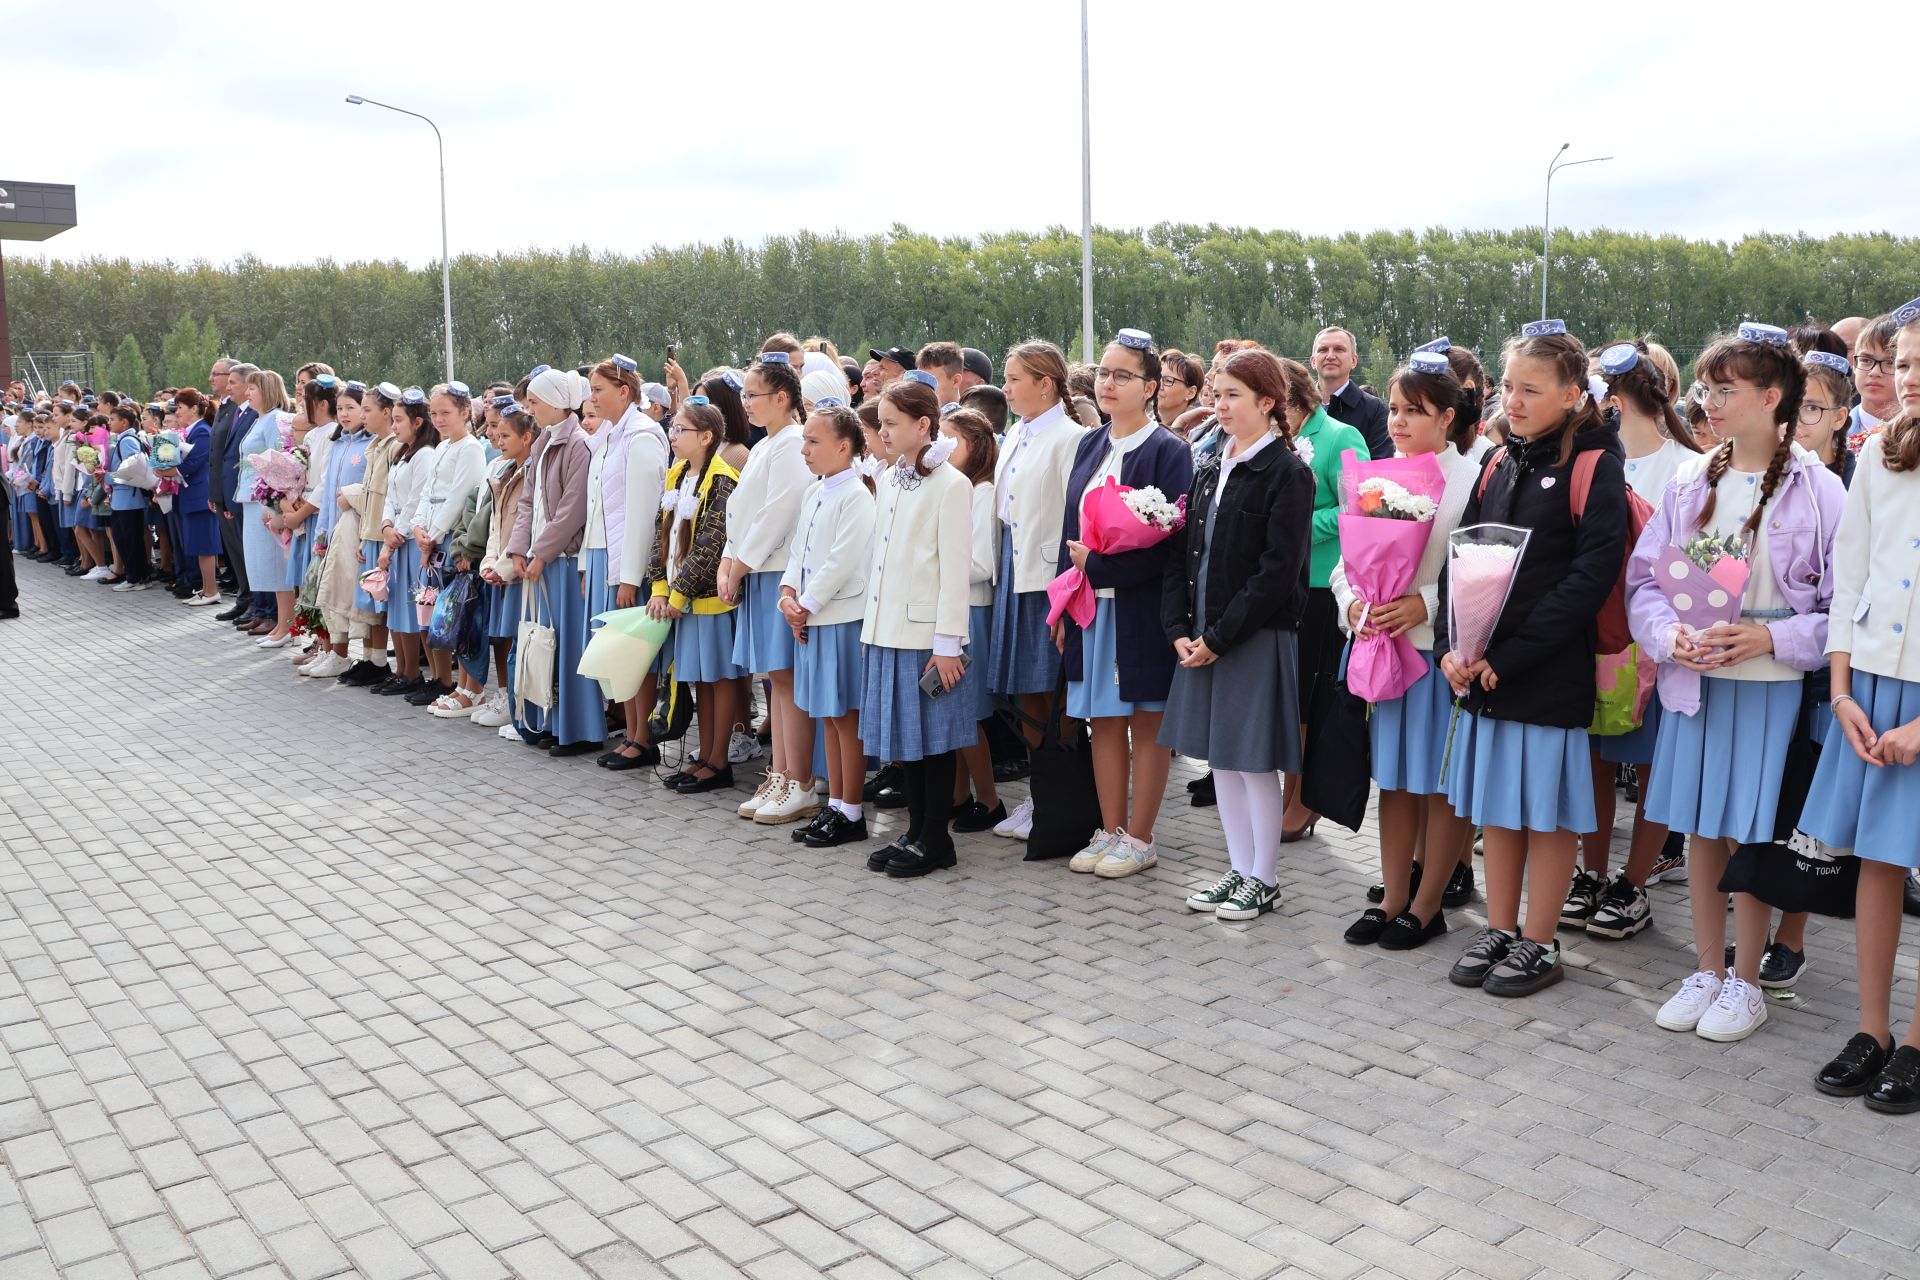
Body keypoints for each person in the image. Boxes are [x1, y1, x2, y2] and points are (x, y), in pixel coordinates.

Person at [1630, 323, 1843, 1041]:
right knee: (1698, 827)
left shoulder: (1819, 491)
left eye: (1727, 391)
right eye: (1706, 390)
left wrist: (1772, 636)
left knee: (1750, 832)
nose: (1710, 404)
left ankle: (1746, 979)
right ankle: (1707, 968)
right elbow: (1646, 581)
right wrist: (1670, 636)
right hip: (1696, 683)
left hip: (1767, 688)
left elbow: (1843, 611)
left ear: (1772, 397)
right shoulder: (1692, 478)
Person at [1439, 320, 1630, 997]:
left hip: (1547, 671)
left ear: (1573, 393)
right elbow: (1460, 559)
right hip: (1485, 669)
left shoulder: (1593, 465)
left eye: (1531, 390)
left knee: (1545, 813)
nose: (1512, 402)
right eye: (1509, 388)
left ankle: (1541, 940)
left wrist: (1513, 654)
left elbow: (1591, 576)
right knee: (1499, 808)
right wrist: (1450, 648)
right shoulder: (1498, 460)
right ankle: (1499, 926)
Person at [1800, 302, 1920, 1110]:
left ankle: (1917, 1041)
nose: (1908, 378)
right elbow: (1849, 580)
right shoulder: (1878, 455)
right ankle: (1873, 1028)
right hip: (1871, 688)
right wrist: (1841, 691)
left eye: (1918, 364)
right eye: (1903, 363)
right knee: (1877, 861)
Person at [1333, 351, 1479, 949]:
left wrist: (1426, 602)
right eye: (1393, 409)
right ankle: (1391, 896)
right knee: (1392, 781)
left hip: (1439, 654)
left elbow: (1484, 568)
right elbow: (1349, 561)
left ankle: (1428, 903)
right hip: (1381, 647)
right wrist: (1351, 605)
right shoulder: (1373, 474)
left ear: (1447, 417)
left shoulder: (1473, 478)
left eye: (1413, 412)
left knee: (1439, 784)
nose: (1397, 421)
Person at [1162, 348, 1314, 921]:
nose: (1220, 406)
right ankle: (1238, 866)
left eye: (1233, 396)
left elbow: (1277, 573)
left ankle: (1264, 877)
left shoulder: (1288, 471)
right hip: (1206, 632)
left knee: (1253, 762)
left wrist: (1220, 637)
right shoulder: (1210, 462)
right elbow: (1186, 552)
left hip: (1251, 634)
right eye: (1217, 395)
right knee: (1222, 759)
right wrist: (1179, 627)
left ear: (1267, 402)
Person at [1569, 339, 1701, 940]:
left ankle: (1635, 881)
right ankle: (1591, 872)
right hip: (1592, 634)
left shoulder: (1687, 465)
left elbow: (1698, 564)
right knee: (1595, 758)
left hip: (1653, 640)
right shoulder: (1589, 456)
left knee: (1649, 763)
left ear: (1615, 400)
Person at [1055, 329, 1193, 877]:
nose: (1108, 384)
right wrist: (1067, 598)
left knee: (1147, 718)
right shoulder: (1090, 444)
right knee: (1102, 720)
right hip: (1092, 605)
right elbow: (1072, 532)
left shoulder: (1167, 452)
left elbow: (1174, 546)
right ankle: (1109, 829)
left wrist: (1104, 567)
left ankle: (1141, 835)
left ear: (1151, 386)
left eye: (1122, 376)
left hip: (1142, 605)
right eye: (1103, 374)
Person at [860, 377, 979, 878]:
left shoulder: (953, 484)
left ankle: (936, 838)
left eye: (891, 423)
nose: (882, 433)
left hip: (926, 636)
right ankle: (915, 831)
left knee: (934, 742)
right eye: (881, 424)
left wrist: (948, 643)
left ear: (923, 425)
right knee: (908, 743)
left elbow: (955, 570)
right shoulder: (891, 477)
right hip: (887, 629)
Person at [988, 340, 1090, 841]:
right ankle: (1040, 790)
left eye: (1014, 380)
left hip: (1046, 574)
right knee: (1026, 687)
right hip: (1013, 566)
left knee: (1053, 685)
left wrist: (1067, 587)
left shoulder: (1069, 437)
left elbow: (1073, 515)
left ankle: (1061, 791)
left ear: (1045, 384)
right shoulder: (1016, 433)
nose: (1005, 389)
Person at [723, 352, 818, 824]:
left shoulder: (795, 441)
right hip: (758, 570)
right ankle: (780, 772)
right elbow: (740, 512)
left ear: (782, 397)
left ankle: (800, 780)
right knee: (774, 680)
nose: (746, 404)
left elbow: (779, 512)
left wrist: (738, 565)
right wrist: (729, 560)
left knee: (787, 678)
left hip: (778, 571)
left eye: (753, 394)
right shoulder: (764, 445)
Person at [779, 403, 876, 847]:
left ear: (843, 446)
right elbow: (798, 551)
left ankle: (851, 810)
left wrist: (808, 604)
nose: (805, 450)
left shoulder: (856, 494)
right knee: (828, 717)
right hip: (815, 617)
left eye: (813, 441)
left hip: (841, 618)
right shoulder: (815, 492)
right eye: (804, 440)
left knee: (846, 717)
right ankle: (835, 805)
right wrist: (787, 595)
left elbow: (843, 559)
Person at [1281, 356, 1370, 839]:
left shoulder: (1340, 436)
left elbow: (1360, 508)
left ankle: (1305, 798)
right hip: (1284, 585)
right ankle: (1289, 791)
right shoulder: (1277, 438)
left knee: (1311, 700)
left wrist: (1298, 527)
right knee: (1291, 701)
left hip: (1322, 585)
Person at [650, 398, 745, 792]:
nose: (673, 436)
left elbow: (711, 544)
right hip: (680, 599)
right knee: (699, 681)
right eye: (672, 428)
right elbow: (662, 534)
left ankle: (719, 761)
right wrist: (659, 585)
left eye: (681, 430)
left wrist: (678, 594)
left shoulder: (722, 479)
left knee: (719, 680)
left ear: (707, 437)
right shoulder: (676, 475)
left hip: (707, 599)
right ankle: (704, 756)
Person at [508, 368, 603, 756]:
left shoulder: (578, 444)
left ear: (557, 403)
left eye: (535, 402)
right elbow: (529, 502)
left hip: (562, 561)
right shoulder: (543, 444)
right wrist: (519, 548)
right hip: (542, 561)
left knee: (570, 647)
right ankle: (550, 721)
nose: (530, 410)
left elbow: (571, 510)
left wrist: (540, 553)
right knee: (547, 642)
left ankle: (579, 729)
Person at [585, 356, 670, 766]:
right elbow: (598, 507)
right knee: (622, 650)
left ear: (624, 392)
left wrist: (630, 576)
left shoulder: (642, 436)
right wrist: (590, 563)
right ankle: (632, 732)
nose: (593, 398)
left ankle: (643, 738)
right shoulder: (612, 435)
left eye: (599, 389)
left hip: (630, 561)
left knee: (637, 651)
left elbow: (643, 515)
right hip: (609, 555)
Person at [936, 406, 1005, 830]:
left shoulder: (980, 493)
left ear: (976, 447)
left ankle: (991, 798)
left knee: (969, 712)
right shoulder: (954, 487)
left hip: (972, 609)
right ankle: (959, 794)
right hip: (954, 606)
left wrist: (933, 569)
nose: (943, 449)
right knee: (954, 709)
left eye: (953, 441)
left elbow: (981, 563)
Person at [412, 382, 488, 709]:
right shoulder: (442, 447)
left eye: (446, 413)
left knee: (462, 613)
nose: (439, 419)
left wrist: (433, 534)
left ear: (465, 413)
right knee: (444, 614)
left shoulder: (470, 448)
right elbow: (427, 493)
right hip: (432, 536)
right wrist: (417, 526)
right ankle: (461, 685)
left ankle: (473, 687)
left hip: (451, 538)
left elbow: (459, 496)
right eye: (434, 413)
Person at [342, 383, 401, 687]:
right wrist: (364, 538)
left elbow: (389, 497)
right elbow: (369, 496)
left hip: (385, 533)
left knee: (381, 604)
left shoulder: (394, 446)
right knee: (369, 603)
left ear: (387, 413)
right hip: (372, 532)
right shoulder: (376, 445)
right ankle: (369, 658)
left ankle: (379, 661)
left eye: (367, 409)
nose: (363, 415)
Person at [235, 369, 298, 645]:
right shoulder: (258, 418)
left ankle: (288, 626)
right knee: (265, 564)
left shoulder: (275, 419)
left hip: (266, 500)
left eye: (252, 389)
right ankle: (282, 625)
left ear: (267, 390)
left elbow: (279, 463)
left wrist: (274, 505)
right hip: (252, 498)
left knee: (276, 564)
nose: (247, 394)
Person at [165, 389, 222, 608]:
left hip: (200, 495)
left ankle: (211, 590)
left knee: (205, 545)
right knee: (199, 545)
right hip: (191, 495)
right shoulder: (191, 431)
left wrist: (168, 471)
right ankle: (206, 589)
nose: (177, 412)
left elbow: (193, 463)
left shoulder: (202, 431)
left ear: (195, 409)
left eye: (180, 408)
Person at [1312, 327, 1391, 459]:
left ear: (1353, 361)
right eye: (1323, 350)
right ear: (1313, 361)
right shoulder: (1295, 407)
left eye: (1339, 349)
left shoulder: (1375, 410)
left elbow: (1380, 466)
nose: (1330, 356)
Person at [105, 404, 153, 591]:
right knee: (123, 538)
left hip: (129, 498)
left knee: (130, 540)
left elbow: (133, 469)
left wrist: (108, 477)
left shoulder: (127, 441)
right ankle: (135, 575)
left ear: (124, 422)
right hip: (122, 498)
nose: (109, 423)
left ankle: (137, 577)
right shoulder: (123, 439)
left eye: (112, 419)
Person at [1797, 352, 1857, 486]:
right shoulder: (1765, 471)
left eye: (1811, 408)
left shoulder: (1856, 481)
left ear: (1838, 418)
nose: (1795, 420)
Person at [1849, 313, 1901, 442]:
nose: (1874, 372)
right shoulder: (1831, 433)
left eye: (1890, 362)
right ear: (1854, 364)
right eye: (1866, 360)